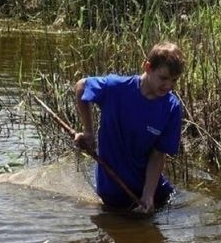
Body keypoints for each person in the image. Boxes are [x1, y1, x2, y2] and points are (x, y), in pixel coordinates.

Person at [74, 41, 185, 214]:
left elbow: (158, 154)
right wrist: (88, 131)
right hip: (113, 191)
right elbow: (81, 87)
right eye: (163, 78)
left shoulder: (171, 107)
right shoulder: (116, 88)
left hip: (153, 192)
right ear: (148, 67)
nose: (168, 86)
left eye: (174, 80)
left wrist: (148, 195)